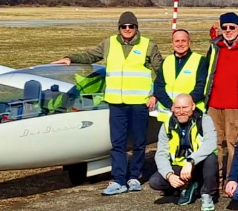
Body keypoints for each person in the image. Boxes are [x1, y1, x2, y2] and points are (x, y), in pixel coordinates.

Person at [53, 11, 162, 196]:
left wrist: (156, 95)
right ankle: (119, 179)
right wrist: (70, 58)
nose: (127, 29)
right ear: (119, 28)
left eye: (131, 26)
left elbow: (162, 72)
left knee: (138, 142)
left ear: (136, 28)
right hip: (116, 103)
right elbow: (90, 56)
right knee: (117, 143)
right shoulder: (109, 43)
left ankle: (135, 177)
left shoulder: (148, 45)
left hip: (139, 103)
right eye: (123, 26)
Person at [204, 12, 238, 179]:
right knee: (214, 144)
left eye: (232, 27)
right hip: (214, 103)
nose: (228, 30)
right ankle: (215, 182)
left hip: (235, 104)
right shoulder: (215, 46)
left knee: (234, 144)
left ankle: (231, 181)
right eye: (224, 27)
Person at [148, 94, 219, 211]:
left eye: (185, 107)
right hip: (179, 166)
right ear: (172, 108)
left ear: (193, 107)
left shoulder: (204, 120)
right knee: (155, 182)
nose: (181, 111)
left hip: (198, 164)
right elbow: (161, 154)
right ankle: (186, 186)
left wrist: (191, 161)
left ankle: (206, 194)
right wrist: (169, 175)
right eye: (178, 108)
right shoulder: (166, 125)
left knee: (211, 157)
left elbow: (210, 143)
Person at [154, 29, 208, 124]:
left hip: (191, 114)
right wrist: (172, 106)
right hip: (168, 114)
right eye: (177, 41)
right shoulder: (167, 61)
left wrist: (184, 107)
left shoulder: (200, 60)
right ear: (172, 43)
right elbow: (158, 87)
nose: (180, 44)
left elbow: (201, 87)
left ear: (189, 43)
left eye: (183, 41)